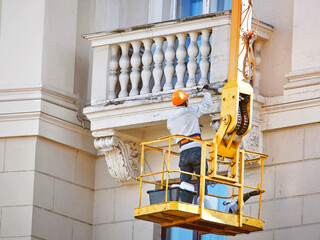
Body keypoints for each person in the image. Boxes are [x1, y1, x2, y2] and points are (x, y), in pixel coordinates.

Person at [167, 85, 213, 194]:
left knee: (185, 183)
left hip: (183, 151)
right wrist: (206, 92)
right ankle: (203, 201)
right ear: (185, 102)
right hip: (195, 149)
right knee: (202, 178)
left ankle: (184, 201)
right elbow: (206, 105)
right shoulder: (189, 111)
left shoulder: (170, 119)